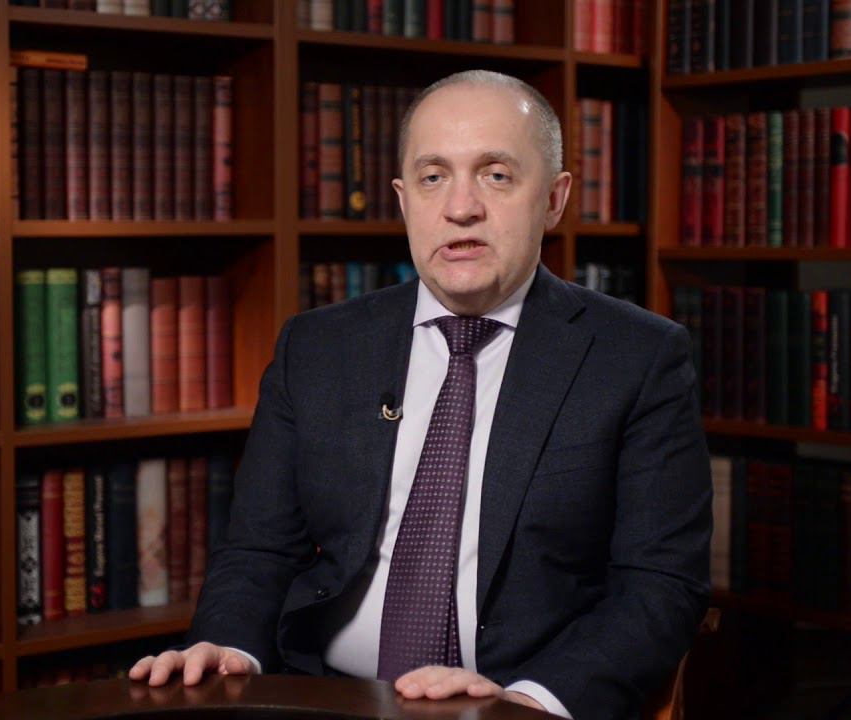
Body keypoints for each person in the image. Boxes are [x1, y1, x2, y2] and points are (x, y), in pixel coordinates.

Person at [129, 69, 712, 720]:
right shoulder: (317, 347)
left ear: (554, 199)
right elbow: (258, 552)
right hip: (319, 696)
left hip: (510, 699)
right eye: (433, 177)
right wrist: (229, 647)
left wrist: (529, 702)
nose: (461, 208)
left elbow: (661, 585)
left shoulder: (638, 357)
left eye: (496, 175)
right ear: (404, 201)